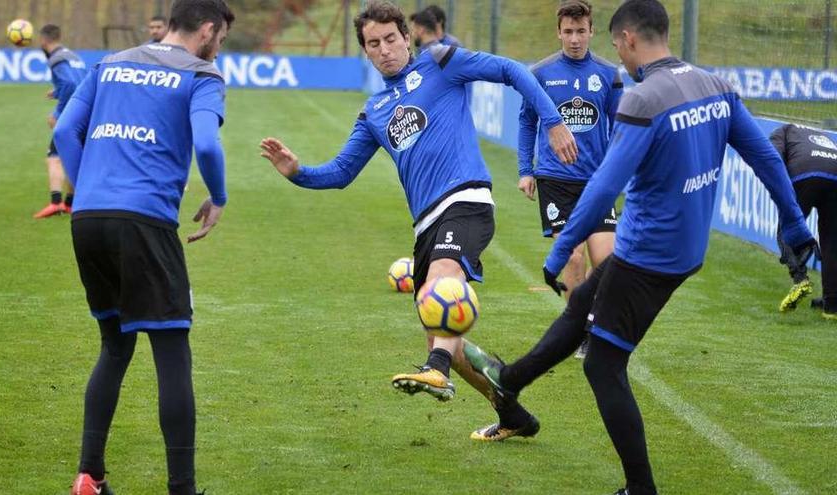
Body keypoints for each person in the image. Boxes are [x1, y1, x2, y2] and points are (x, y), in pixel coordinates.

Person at [464, 1, 817, 493]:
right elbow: (765, 158)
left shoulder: (644, 98)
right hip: (686, 249)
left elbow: (605, 188)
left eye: (614, 44)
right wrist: (796, 227)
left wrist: (558, 248)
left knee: (603, 364)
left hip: (648, 254)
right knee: (583, 302)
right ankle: (511, 381)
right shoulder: (716, 84)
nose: (619, 58)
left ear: (628, 39)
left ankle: (639, 488)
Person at [259, 0, 577, 441]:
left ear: (407, 38)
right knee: (449, 340)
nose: (385, 48)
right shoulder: (373, 112)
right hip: (425, 225)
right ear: (366, 52)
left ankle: (434, 370)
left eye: (391, 38)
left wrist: (554, 120)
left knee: (444, 291)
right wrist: (297, 172)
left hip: (466, 200)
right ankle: (513, 415)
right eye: (374, 43)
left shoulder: (442, 62)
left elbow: (512, 71)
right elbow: (341, 173)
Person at [52, 0, 234, 493]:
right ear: (209, 30)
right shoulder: (201, 75)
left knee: (114, 345)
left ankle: (90, 475)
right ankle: (183, 488)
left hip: (88, 218)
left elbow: (66, 129)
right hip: (145, 221)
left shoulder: (109, 64)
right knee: (172, 350)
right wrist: (217, 196)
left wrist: (89, 182)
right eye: (220, 41)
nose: (219, 51)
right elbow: (209, 145)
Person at [518, 0, 622, 358]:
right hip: (556, 179)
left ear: (592, 31)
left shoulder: (610, 74)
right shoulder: (541, 73)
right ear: (558, 32)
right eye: (568, 32)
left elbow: (621, 128)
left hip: (598, 183)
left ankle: (597, 325)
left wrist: (620, 170)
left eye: (581, 31)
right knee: (574, 258)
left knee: (606, 263)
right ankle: (578, 331)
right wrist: (524, 170)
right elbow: (526, 122)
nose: (575, 39)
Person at [770, 123, 836, 318]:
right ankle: (832, 307)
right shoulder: (822, 134)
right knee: (832, 242)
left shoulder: (781, 131)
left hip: (804, 174)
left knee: (785, 230)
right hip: (835, 177)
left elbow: (771, 159)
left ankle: (800, 279)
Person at [34, 24, 86, 219]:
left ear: (44, 39)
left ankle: (56, 203)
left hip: (70, 115)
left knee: (54, 157)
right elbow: (80, 83)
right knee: (74, 155)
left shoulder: (56, 58)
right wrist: (57, 92)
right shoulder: (73, 56)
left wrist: (57, 112)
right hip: (83, 113)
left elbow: (70, 84)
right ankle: (71, 204)